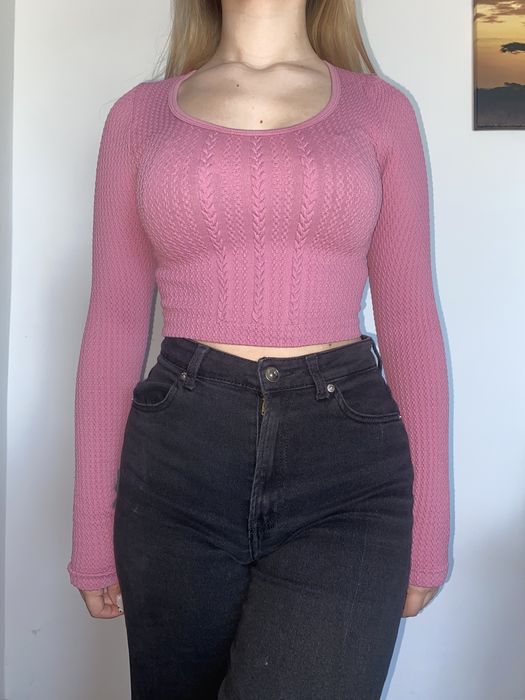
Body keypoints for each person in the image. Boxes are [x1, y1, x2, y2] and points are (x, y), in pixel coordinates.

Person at [67, 0, 451, 697]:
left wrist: (429, 530)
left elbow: (411, 320)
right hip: (177, 458)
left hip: (345, 469)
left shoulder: (380, 109)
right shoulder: (139, 116)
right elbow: (115, 321)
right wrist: (93, 528)